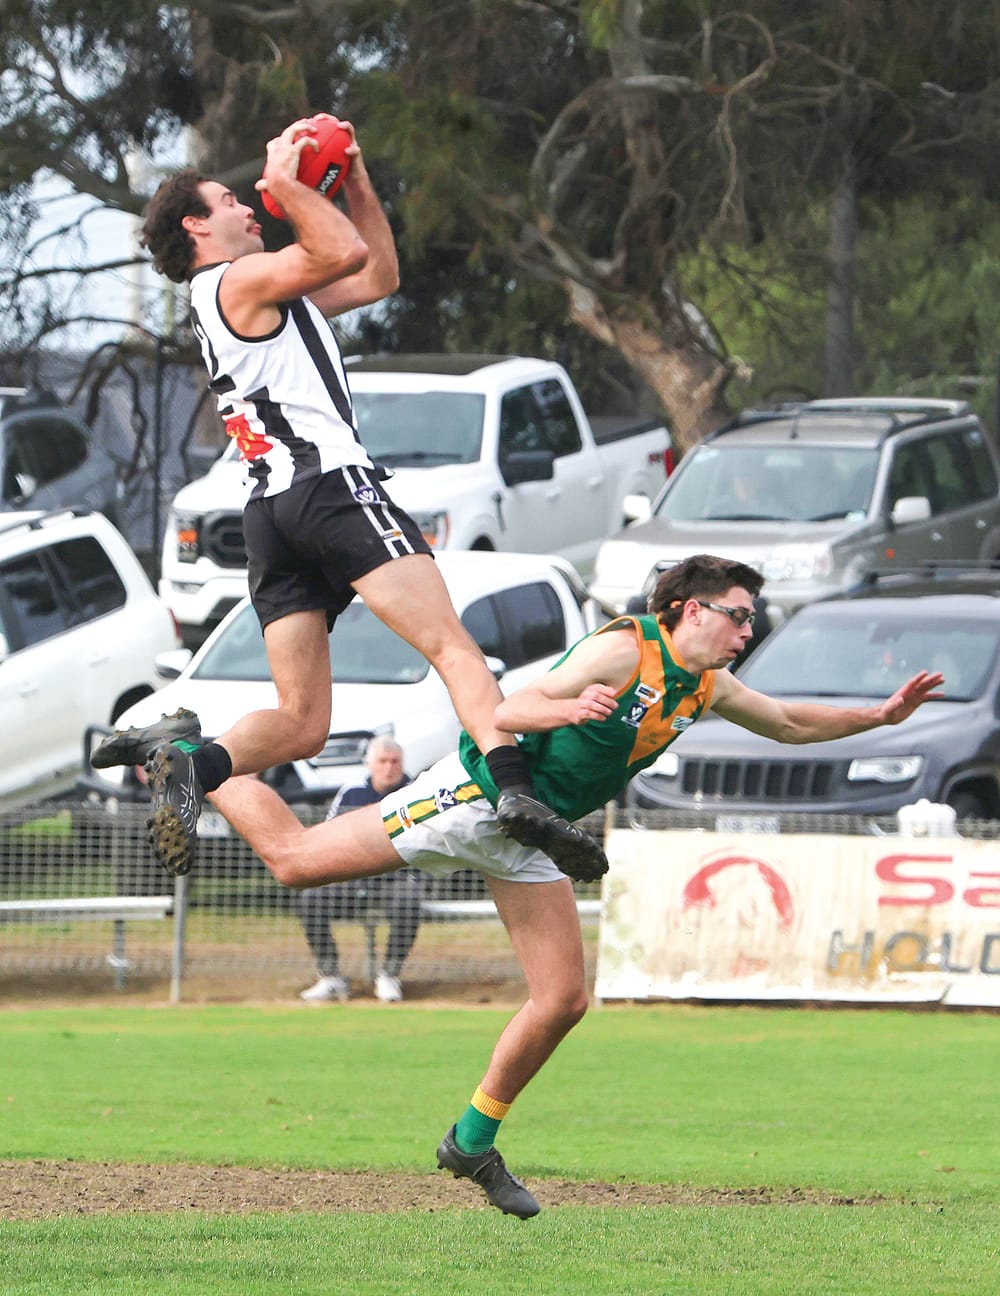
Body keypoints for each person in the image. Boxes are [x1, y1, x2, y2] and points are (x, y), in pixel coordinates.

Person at [102, 554, 943, 1218]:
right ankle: (190, 752)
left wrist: (877, 716)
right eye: (739, 614)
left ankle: (471, 1141)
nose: (747, 630)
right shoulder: (625, 648)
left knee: (563, 999)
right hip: (477, 798)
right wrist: (567, 712)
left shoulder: (705, 685)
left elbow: (790, 722)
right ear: (691, 610)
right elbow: (507, 711)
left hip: (536, 830)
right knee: (293, 861)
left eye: (751, 619)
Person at [94, 113, 604, 884]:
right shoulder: (236, 280)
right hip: (329, 489)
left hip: (272, 516)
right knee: (453, 647)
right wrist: (288, 181)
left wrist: (355, 182)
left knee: (302, 722)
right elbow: (341, 251)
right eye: (229, 200)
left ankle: (189, 759)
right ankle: (517, 793)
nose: (247, 206)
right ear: (196, 227)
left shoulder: (254, 293)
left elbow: (375, 275)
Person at [299, 736, 422, 1004]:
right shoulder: (351, 792)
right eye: (383, 761)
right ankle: (330, 976)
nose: (389, 767)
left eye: (395, 761)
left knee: (408, 898)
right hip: (352, 876)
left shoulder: (415, 793)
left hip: (396, 878)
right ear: (370, 764)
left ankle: (389, 976)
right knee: (311, 897)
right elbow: (329, 834)